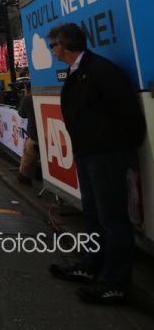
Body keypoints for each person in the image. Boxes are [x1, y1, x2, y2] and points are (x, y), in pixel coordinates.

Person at [46, 23, 146, 305]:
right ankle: (92, 265)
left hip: (106, 154)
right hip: (89, 153)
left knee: (112, 219)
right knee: (93, 213)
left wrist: (121, 147)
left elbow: (127, 111)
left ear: (65, 45)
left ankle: (115, 283)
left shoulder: (100, 70)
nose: (52, 50)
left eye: (53, 45)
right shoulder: (81, 70)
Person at [16, 81, 38, 185]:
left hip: (34, 134)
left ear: (26, 88)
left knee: (29, 156)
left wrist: (24, 96)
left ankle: (25, 176)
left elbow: (22, 114)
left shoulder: (27, 98)